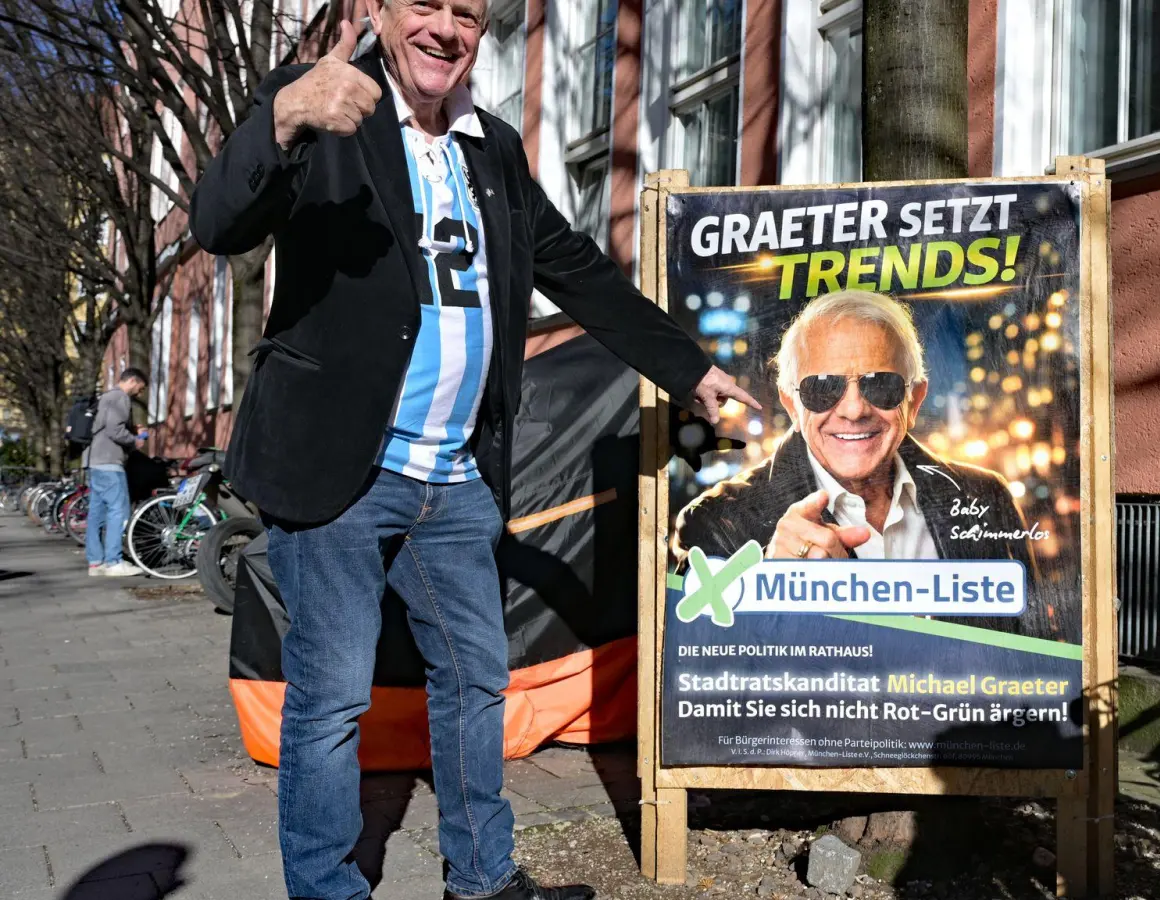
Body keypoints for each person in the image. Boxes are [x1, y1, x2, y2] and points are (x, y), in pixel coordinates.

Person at [188, 2, 755, 898]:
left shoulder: (491, 145)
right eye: (427, 7)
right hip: (340, 471)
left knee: (475, 683)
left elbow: (577, 268)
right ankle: (327, 887)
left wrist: (685, 370)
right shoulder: (323, 104)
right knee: (334, 700)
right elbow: (217, 222)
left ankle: (483, 879)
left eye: (467, 15)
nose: (446, 30)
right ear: (378, 12)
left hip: (454, 477)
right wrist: (286, 116)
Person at [671, 290, 1038, 576]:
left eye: (880, 385)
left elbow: (1037, 652)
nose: (853, 409)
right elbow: (694, 662)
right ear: (791, 404)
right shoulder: (716, 520)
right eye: (823, 388)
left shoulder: (987, 498)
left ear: (915, 399)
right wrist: (767, 583)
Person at [85, 368, 148, 578]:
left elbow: (106, 427)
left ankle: (95, 562)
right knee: (117, 510)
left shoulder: (105, 398)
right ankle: (114, 561)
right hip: (110, 462)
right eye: (140, 388)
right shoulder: (120, 397)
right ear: (132, 380)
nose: (139, 393)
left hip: (95, 460)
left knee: (96, 512)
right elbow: (114, 430)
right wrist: (135, 441)